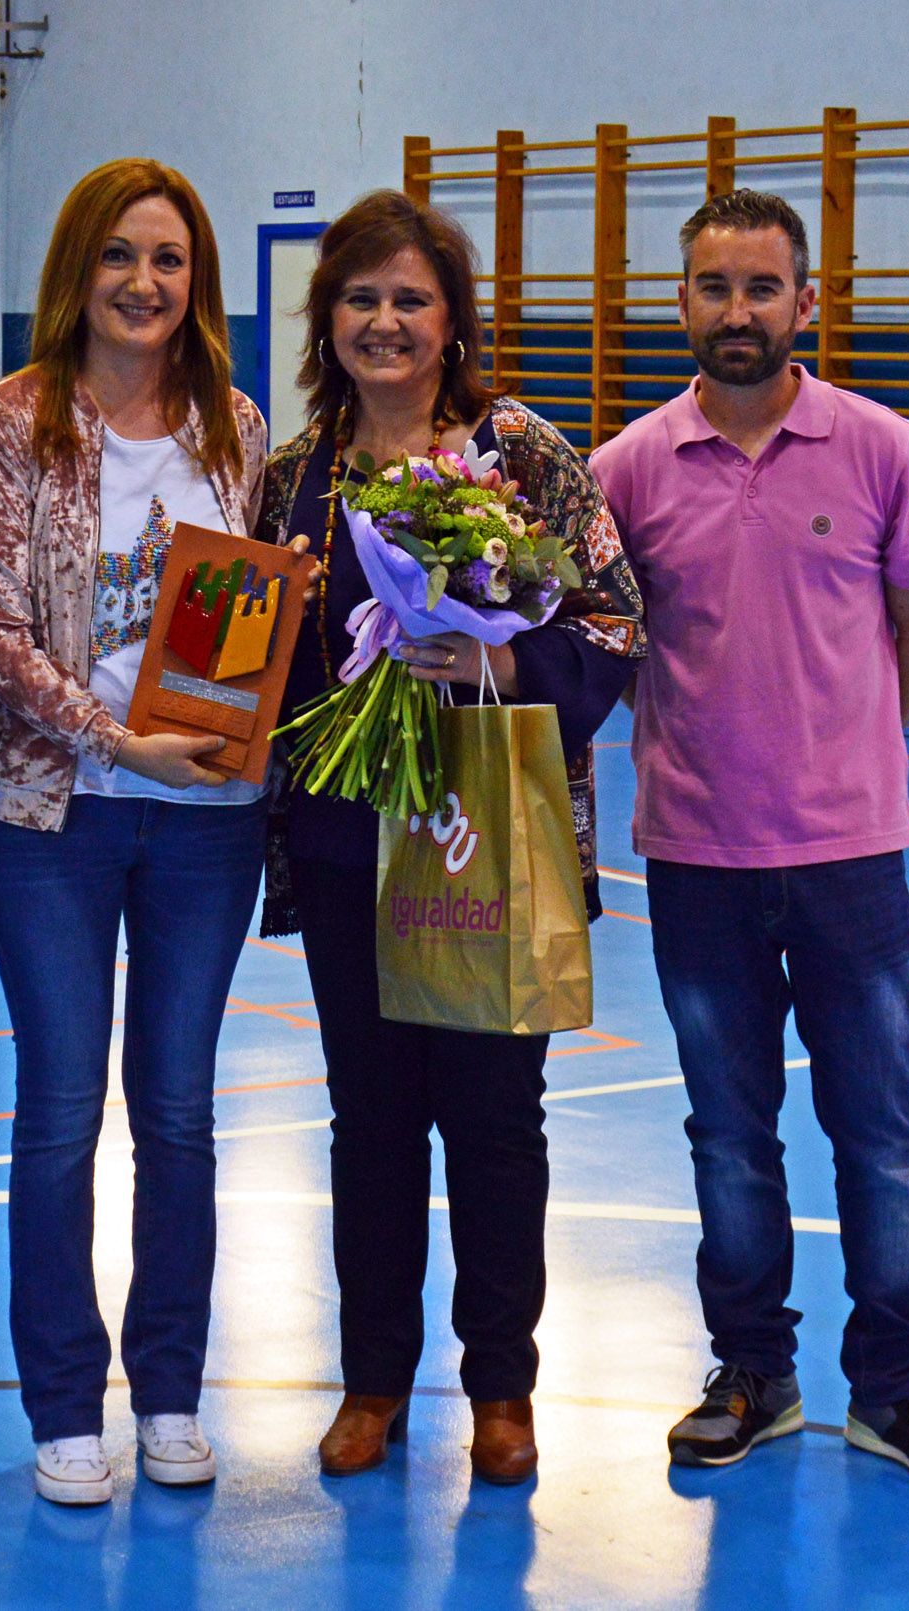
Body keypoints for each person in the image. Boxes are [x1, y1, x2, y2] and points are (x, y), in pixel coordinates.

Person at [590, 189, 909, 1487]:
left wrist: (847, 745)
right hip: (697, 864)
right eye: (712, 286)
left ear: (805, 304)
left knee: (880, 1136)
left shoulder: (881, 448)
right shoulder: (626, 471)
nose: (737, 311)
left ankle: (893, 1387)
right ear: (680, 304)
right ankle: (751, 1374)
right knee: (727, 1133)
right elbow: (589, 650)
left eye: (761, 287)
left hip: (849, 864)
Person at [256, 190, 645, 1486]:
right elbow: (248, 674)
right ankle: (372, 1383)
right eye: (360, 299)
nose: (384, 321)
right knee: (365, 1122)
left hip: (490, 840)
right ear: (328, 321)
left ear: (450, 320)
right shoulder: (289, 481)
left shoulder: (517, 453)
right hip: (344, 847)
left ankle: (500, 1391)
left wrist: (492, 665)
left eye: (409, 299)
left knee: (493, 1124)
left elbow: (610, 625)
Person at [0, 159, 277, 1507]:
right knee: (57, 1110)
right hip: (52, 817)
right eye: (119, 258)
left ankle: (169, 1392)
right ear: (75, 273)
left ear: (195, 281)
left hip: (209, 823)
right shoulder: (6, 421)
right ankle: (59, 1405)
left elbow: (249, 615)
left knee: (182, 1115)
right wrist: (109, 735)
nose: (144, 285)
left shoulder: (236, 425)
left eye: (170, 260)